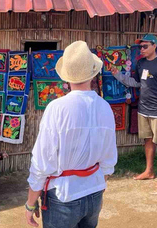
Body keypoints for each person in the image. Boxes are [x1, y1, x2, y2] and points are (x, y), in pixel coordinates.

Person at [25, 41, 117, 228]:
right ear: (93, 74)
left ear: (66, 78)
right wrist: (96, 184)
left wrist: (30, 203)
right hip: (94, 192)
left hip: (63, 196)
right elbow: (108, 159)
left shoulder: (57, 108)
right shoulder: (104, 107)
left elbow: (42, 163)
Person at [111, 34, 157, 189]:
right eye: (140, 47)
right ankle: (149, 171)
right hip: (143, 110)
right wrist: (117, 75)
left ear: (154, 46)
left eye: (145, 46)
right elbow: (137, 83)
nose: (142, 49)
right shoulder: (140, 64)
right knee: (147, 140)